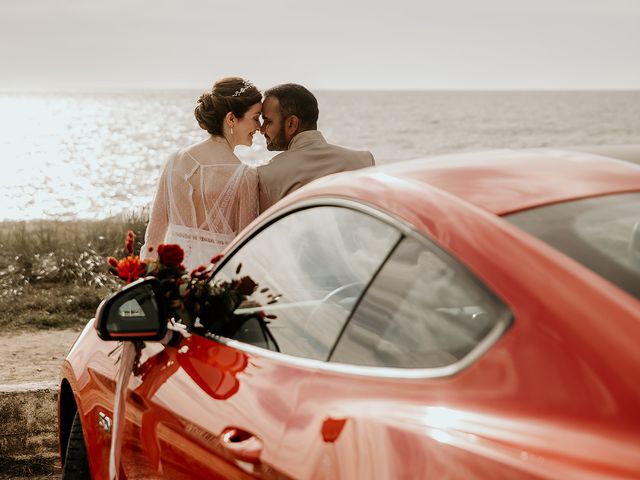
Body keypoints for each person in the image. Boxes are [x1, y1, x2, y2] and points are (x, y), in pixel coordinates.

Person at [142, 77, 262, 269]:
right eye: (256, 118)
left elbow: (153, 240)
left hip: (172, 282)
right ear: (231, 119)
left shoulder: (174, 161)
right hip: (216, 285)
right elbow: (243, 252)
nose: (259, 127)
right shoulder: (245, 177)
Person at [257, 84, 375, 213]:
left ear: (291, 124)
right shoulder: (364, 160)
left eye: (267, 121)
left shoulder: (266, 175)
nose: (262, 130)